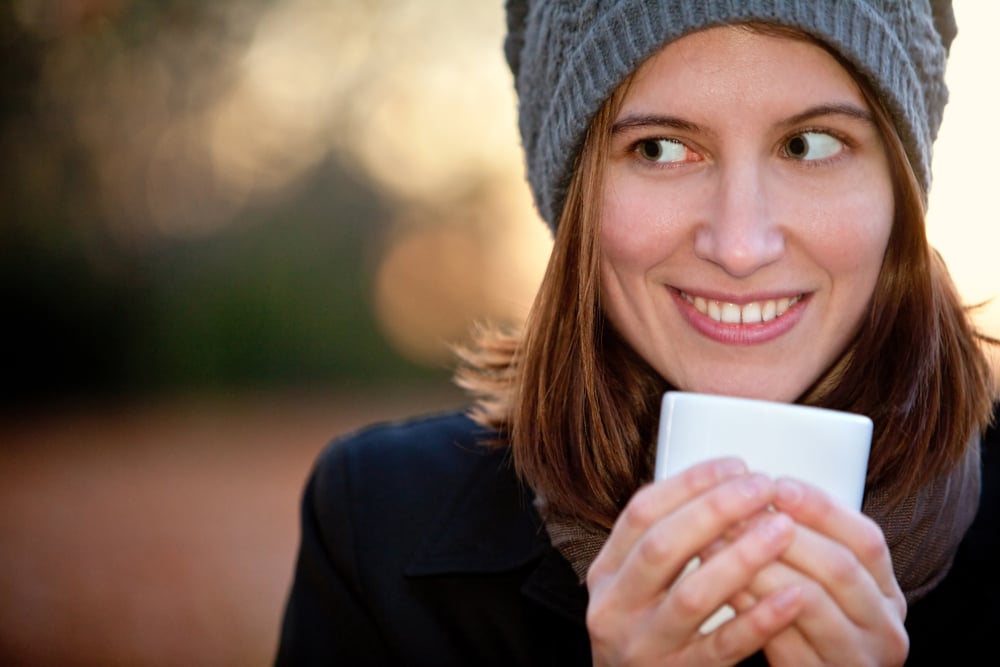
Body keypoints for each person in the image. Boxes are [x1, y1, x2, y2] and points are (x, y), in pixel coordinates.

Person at [274, 1, 999, 665]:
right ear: (578, 197)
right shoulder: (380, 528)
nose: (739, 244)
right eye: (660, 148)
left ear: (898, 194)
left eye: (809, 144)